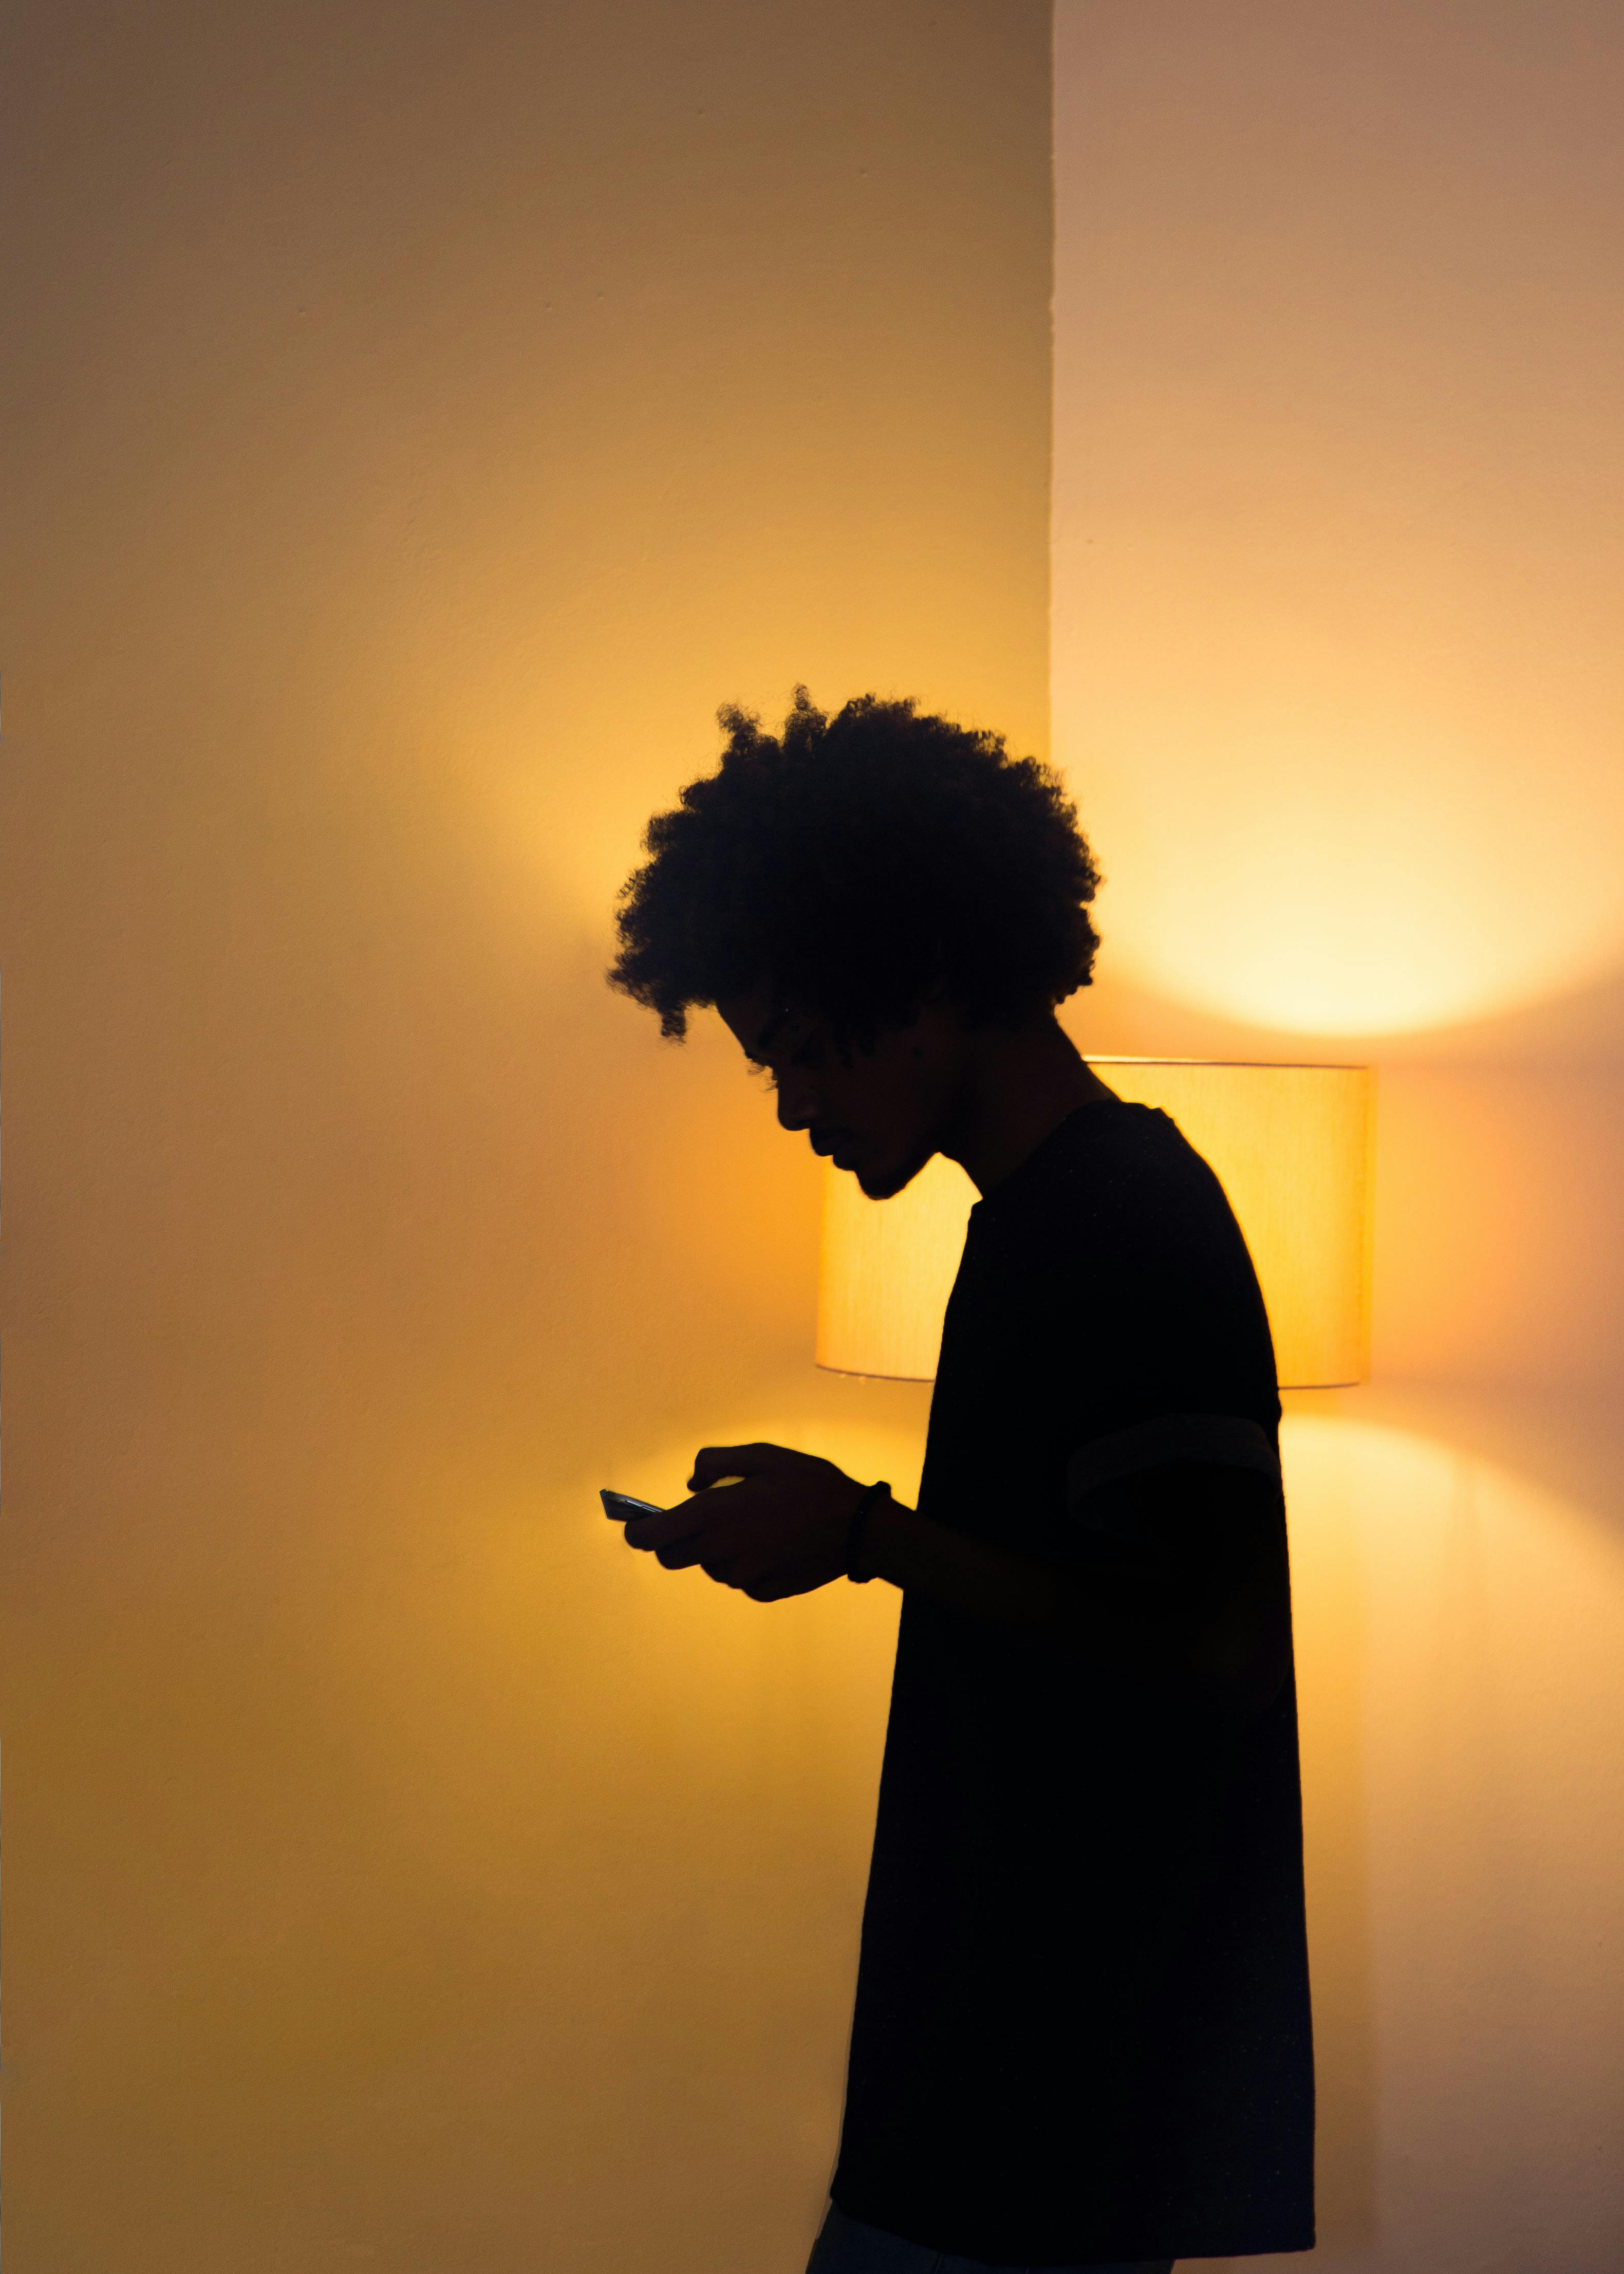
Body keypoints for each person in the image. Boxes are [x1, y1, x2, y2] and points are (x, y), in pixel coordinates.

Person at [607, 691, 1315, 2273]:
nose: (788, 1107)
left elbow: (1200, 1634)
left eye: (792, 1049)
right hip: (1014, 2071)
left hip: (1050, 2086)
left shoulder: (1121, 1222)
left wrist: (860, 1534)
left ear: (917, 985)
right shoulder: (1046, 1218)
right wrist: (856, 1523)